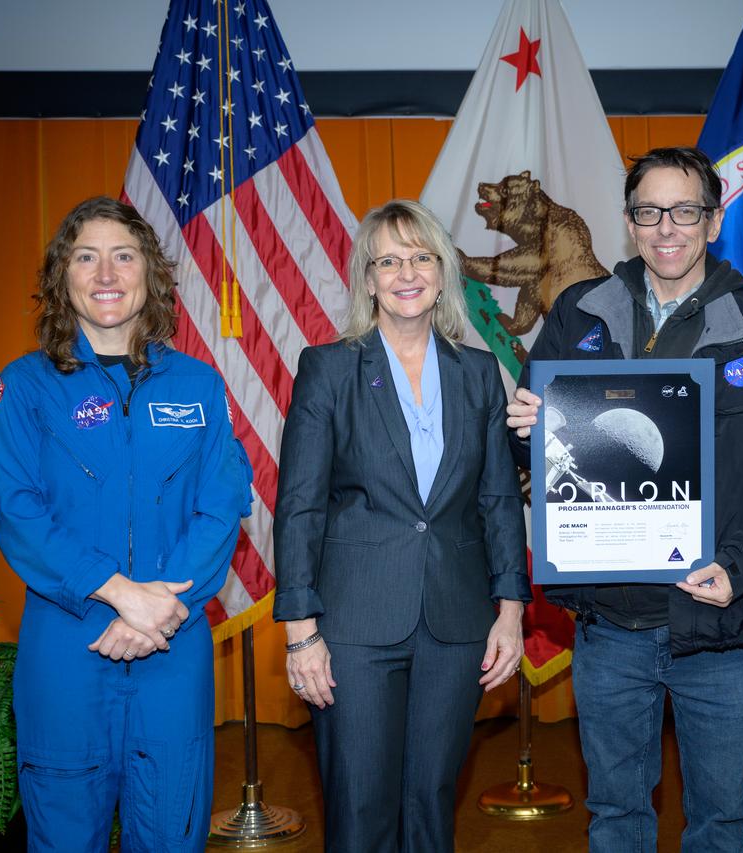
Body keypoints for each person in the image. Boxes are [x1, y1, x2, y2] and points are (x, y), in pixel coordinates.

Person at [506, 146, 743, 852]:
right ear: (629, 223)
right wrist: (523, 431)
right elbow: (533, 460)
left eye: (685, 211)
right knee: (615, 819)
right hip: (609, 628)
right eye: (649, 211)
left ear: (712, 221)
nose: (666, 228)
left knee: (719, 824)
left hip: (721, 630)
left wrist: (740, 569)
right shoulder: (578, 315)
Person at [0, 196, 254, 851]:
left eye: (123, 256)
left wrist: (157, 610)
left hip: (173, 644)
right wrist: (119, 593)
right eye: (86, 257)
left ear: (150, 273)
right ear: (62, 276)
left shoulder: (198, 386)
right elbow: (18, 511)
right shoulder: (23, 388)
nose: (106, 273)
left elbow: (221, 504)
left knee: (171, 831)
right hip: (68, 647)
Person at [273, 199, 531, 852]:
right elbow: (299, 505)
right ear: (368, 279)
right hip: (352, 626)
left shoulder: (479, 372)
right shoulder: (328, 369)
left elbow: (499, 499)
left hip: (457, 622)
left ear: (443, 273)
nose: (406, 273)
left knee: (431, 802)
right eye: (388, 261)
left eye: (420, 257)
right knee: (360, 806)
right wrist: (301, 632)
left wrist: (510, 612)